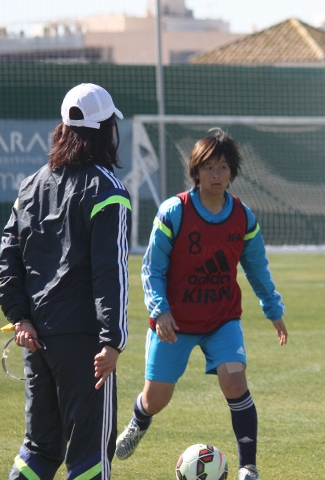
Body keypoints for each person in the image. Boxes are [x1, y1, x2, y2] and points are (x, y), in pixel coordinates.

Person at [115, 129, 287, 480]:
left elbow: (256, 267)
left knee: (235, 381)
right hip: (174, 322)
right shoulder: (174, 211)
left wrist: (273, 309)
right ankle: (139, 420)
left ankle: (248, 467)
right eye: (208, 167)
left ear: (232, 172)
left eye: (222, 167)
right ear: (196, 170)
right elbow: (152, 268)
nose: (215, 175)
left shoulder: (243, 217)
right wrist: (160, 309)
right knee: (157, 398)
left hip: (222, 318)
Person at [0, 83, 130, 480]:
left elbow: (8, 258)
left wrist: (21, 319)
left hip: (36, 337)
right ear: (106, 130)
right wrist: (113, 339)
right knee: (90, 456)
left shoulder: (31, 185)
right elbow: (111, 272)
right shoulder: (109, 189)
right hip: (85, 342)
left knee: (39, 449)